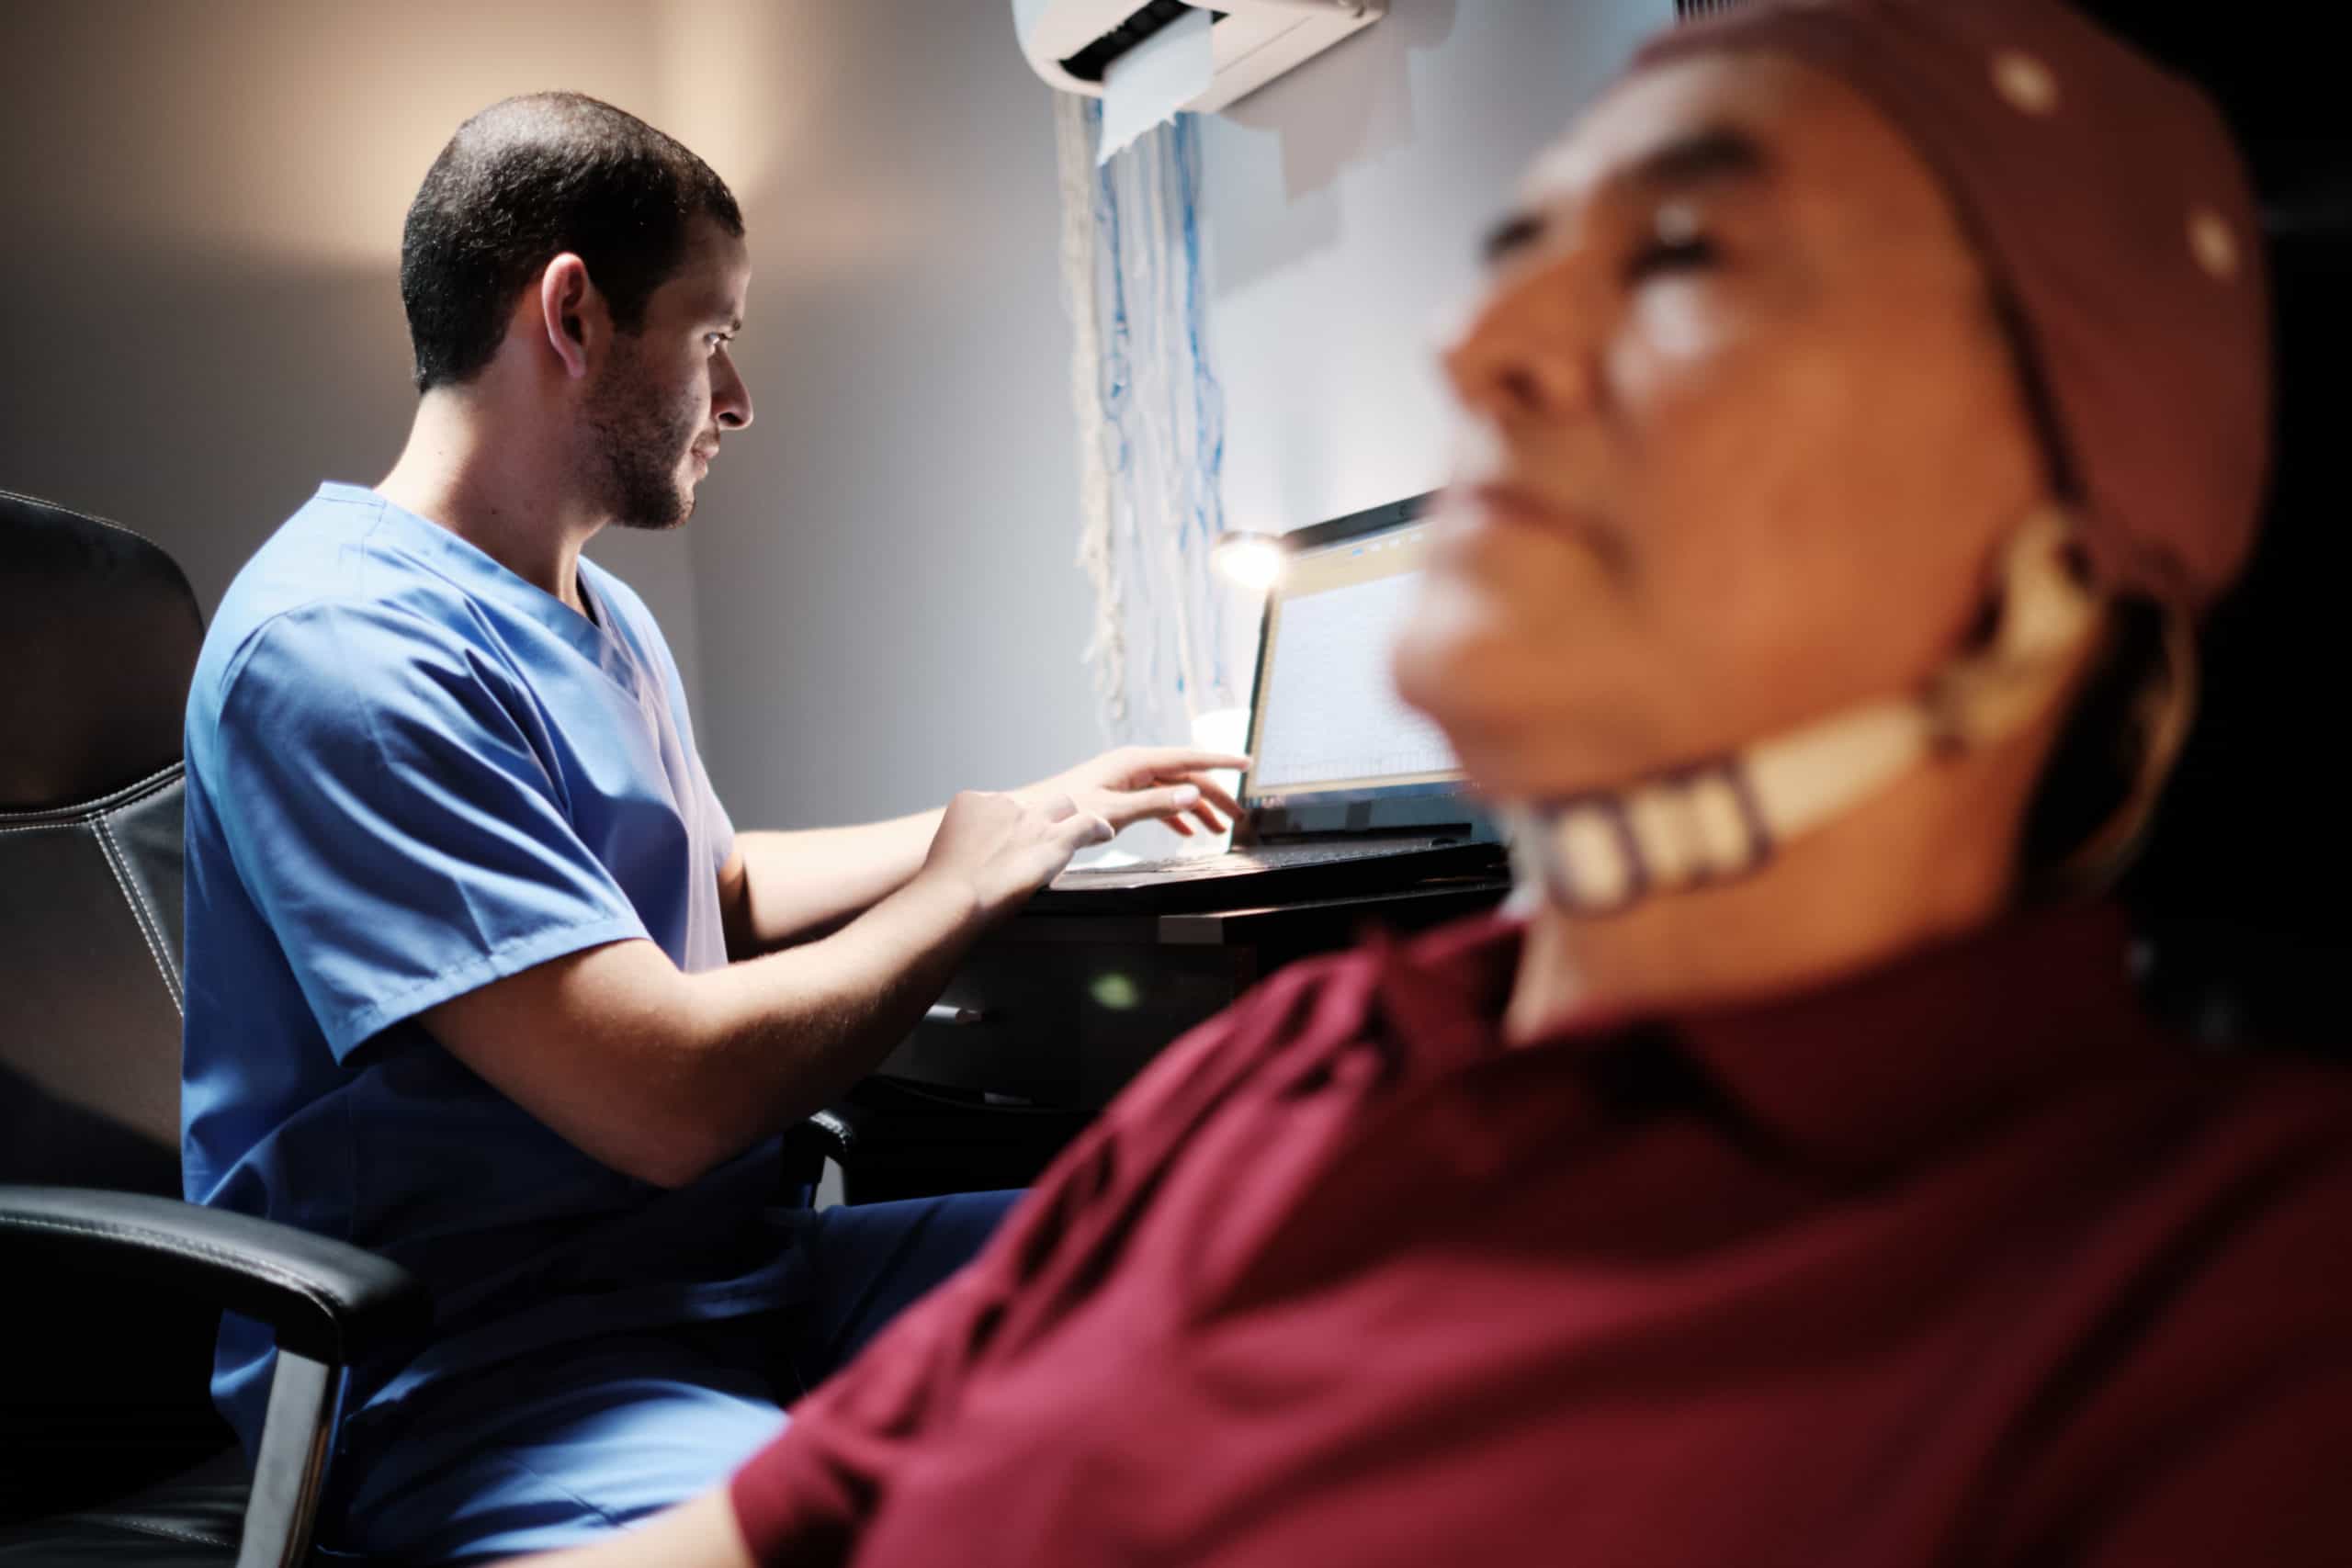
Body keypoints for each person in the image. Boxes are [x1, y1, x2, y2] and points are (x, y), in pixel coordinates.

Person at [511, 4, 2351, 1565]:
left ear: (2039, 580)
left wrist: (993, 836)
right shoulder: (1288, 1069)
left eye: (1688, 262)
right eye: (1520, 252)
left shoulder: (2184, 1304)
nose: (1487, 347)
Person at [178, 92, 1244, 1562]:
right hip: (498, 1378)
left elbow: (711, 885)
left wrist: (1030, 811)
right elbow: (663, 1102)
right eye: (711, 332)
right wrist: (962, 888)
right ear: (573, 315)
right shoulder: (338, 649)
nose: (734, 398)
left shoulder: (593, 608)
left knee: (1235, 1254)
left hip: (742, 1281)